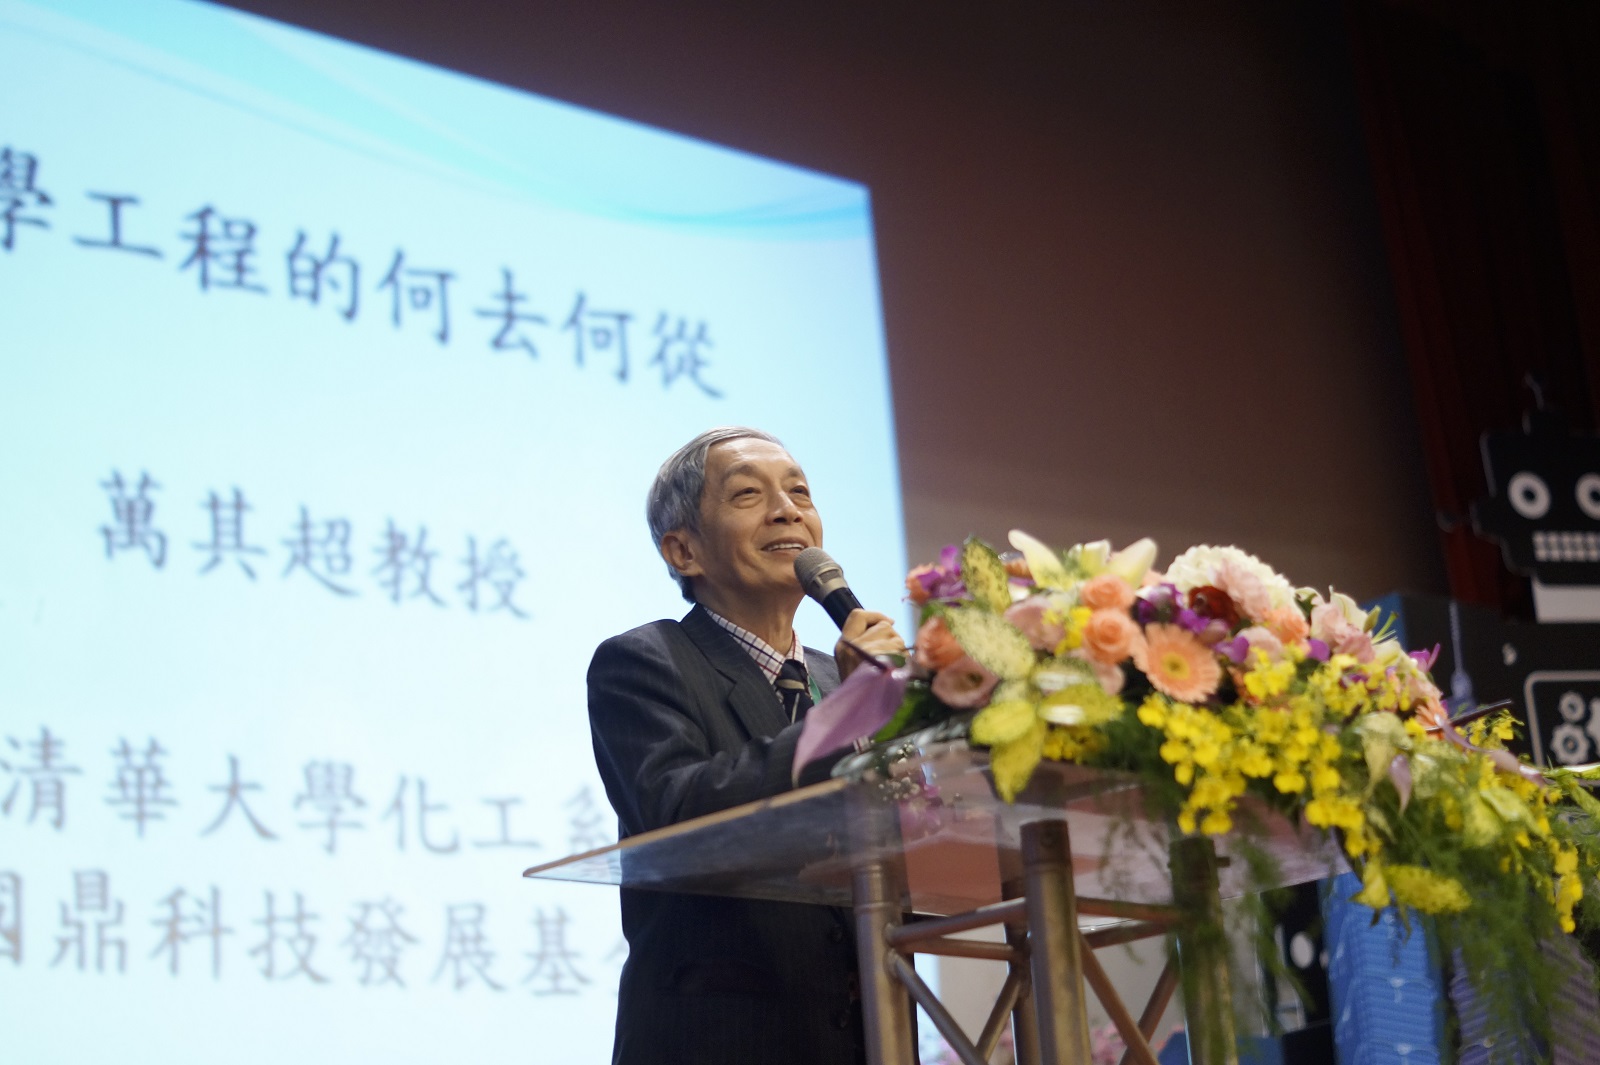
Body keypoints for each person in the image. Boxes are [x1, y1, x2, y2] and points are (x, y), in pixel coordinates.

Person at [587, 426, 906, 1065]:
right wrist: (845, 717)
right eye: (747, 495)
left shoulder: (843, 677)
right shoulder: (643, 661)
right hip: (720, 1040)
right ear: (683, 550)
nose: (787, 510)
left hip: (868, 1039)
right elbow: (680, 811)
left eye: (799, 492)